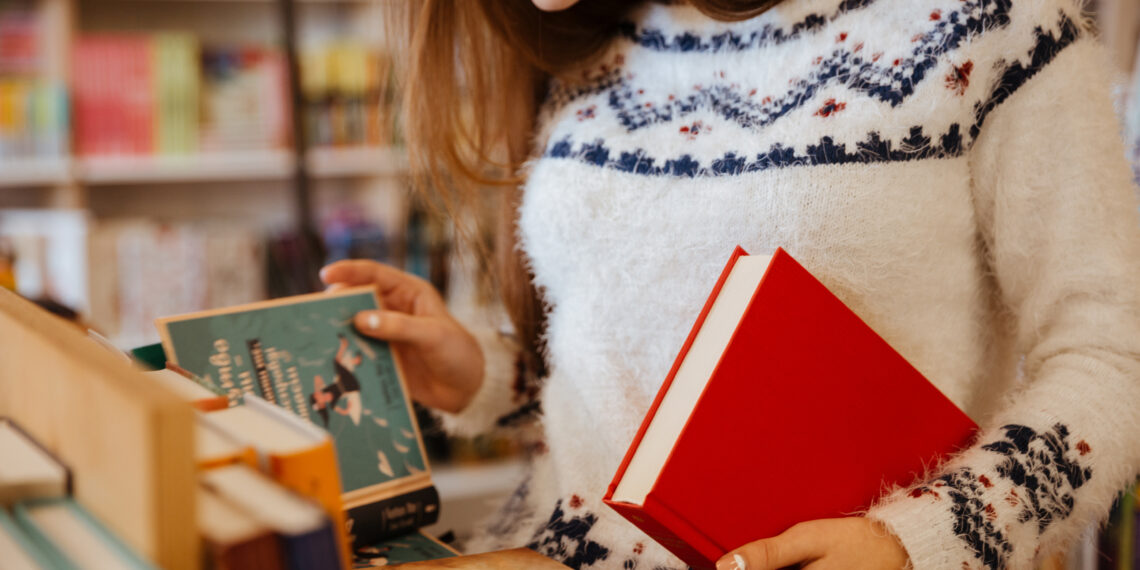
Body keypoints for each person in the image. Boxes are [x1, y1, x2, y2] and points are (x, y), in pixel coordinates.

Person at [320, 0, 1140, 568]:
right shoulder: (596, 43)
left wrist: (923, 540)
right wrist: (487, 375)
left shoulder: (992, 26)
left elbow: (1113, 350)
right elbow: (645, 362)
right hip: (552, 546)